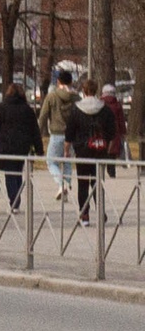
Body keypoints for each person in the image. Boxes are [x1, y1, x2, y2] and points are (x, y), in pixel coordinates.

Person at [67, 77, 120, 226]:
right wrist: (108, 146)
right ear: (96, 90)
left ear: (83, 91)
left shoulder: (76, 109)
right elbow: (111, 130)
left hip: (83, 150)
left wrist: (67, 148)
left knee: (83, 183)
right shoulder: (104, 109)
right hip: (100, 149)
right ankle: (101, 211)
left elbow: (70, 131)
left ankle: (84, 214)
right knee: (98, 182)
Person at [0, 79, 41, 212]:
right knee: (17, 172)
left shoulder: (2, 107)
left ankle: (14, 201)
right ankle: (16, 198)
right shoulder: (27, 109)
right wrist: (39, 148)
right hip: (22, 146)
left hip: (5, 146)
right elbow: (35, 129)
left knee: (9, 174)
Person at [40, 70, 78, 199]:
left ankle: (61, 184)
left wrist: (40, 131)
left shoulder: (52, 96)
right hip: (71, 135)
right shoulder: (76, 97)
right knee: (67, 162)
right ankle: (66, 186)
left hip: (56, 133)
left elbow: (43, 115)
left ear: (58, 81)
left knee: (51, 162)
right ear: (71, 81)